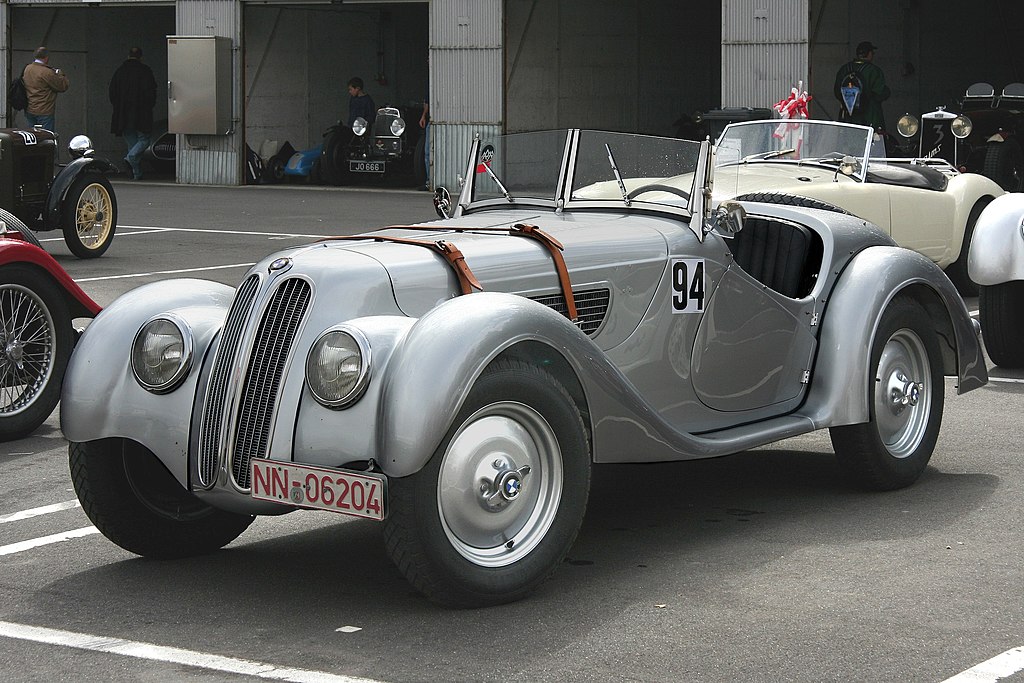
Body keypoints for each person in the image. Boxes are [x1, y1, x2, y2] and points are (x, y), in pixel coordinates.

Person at [109, 46, 157, 180]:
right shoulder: (145, 72)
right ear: (141, 57)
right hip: (141, 114)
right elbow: (151, 94)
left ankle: (136, 173)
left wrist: (118, 108)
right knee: (144, 140)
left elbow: (112, 93)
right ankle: (131, 160)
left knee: (132, 143)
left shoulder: (119, 72)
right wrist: (148, 107)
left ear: (128, 56)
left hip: (123, 114)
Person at [833, 41, 890, 131]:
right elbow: (880, 93)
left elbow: (837, 92)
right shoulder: (874, 71)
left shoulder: (844, 69)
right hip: (869, 117)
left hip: (848, 118)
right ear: (869, 54)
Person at [22, 46, 69, 134]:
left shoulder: (28, 69)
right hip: (44, 111)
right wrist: (60, 74)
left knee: (32, 138)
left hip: (30, 109)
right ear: (46, 58)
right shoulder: (46, 72)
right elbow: (62, 86)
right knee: (46, 139)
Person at [419, 96, 430, 190]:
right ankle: (429, 181)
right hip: (431, 120)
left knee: (428, 153)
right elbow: (427, 102)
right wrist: (423, 116)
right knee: (427, 153)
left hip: (436, 120)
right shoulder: (430, 88)